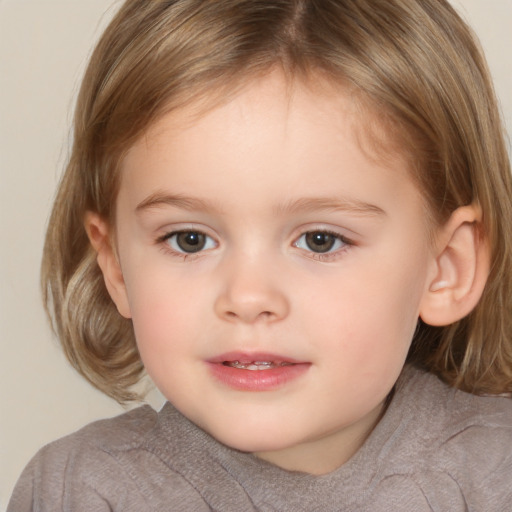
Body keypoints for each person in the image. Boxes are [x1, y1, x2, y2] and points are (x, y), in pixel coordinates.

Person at [8, 0, 512, 510]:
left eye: (320, 240)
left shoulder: (496, 472)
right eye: (190, 239)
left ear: (448, 267)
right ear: (115, 264)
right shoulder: (80, 491)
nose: (247, 298)